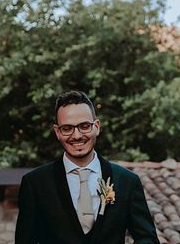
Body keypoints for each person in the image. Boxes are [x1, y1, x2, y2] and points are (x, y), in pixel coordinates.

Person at [15, 90, 159, 244]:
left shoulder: (127, 181)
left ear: (96, 126)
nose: (76, 135)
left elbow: (147, 239)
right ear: (57, 132)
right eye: (67, 128)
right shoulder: (35, 184)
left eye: (84, 126)